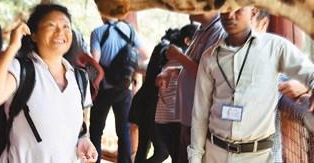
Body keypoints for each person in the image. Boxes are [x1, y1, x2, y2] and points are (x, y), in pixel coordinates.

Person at [188, 7, 314, 163]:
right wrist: (195, 157)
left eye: (237, 10)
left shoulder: (275, 48)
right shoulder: (210, 57)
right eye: (225, 10)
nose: (229, 15)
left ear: (253, 12)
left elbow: (310, 73)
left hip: (258, 156)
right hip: (215, 153)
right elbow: (200, 113)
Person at [0, 3, 97, 162]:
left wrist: (84, 141)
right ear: (33, 34)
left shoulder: (80, 78)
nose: (60, 31)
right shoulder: (21, 70)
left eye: (66, 26)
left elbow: (81, 127)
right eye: (51, 25)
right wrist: (13, 47)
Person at [156, 11, 224, 163]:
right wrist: (172, 71)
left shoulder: (219, 30)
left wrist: (179, 56)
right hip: (190, 118)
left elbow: (207, 74)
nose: (187, 7)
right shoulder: (202, 30)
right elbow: (196, 66)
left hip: (203, 122)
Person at [251, 9, 310, 163]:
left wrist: (306, 88)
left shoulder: (276, 52)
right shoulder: (222, 52)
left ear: (263, 24)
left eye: (251, 16)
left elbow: (305, 75)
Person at [89, 17, 149, 163]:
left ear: (102, 14)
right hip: (124, 89)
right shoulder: (129, 30)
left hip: (103, 89)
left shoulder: (97, 32)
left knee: (96, 131)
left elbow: (95, 62)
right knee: (124, 132)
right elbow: (145, 54)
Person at [152, 24, 197, 163]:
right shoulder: (180, 61)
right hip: (174, 120)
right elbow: (197, 72)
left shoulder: (170, 61)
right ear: (187, 41)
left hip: (163, 120)